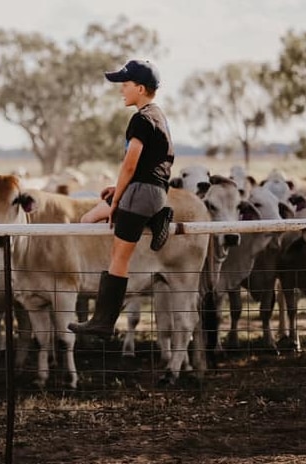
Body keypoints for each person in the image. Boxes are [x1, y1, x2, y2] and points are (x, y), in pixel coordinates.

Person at [69, 59, 174, 338]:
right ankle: (157, 215)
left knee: (119, 258)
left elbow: (130, 163)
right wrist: (117, 191)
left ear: (140, 88)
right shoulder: (158, 115)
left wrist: (117, 202)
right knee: (88, 218)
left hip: (140, 193)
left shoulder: (140, 119)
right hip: (153, 192)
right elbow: (149, 164)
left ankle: (103, 322)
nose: (121, 91)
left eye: (125, 86)